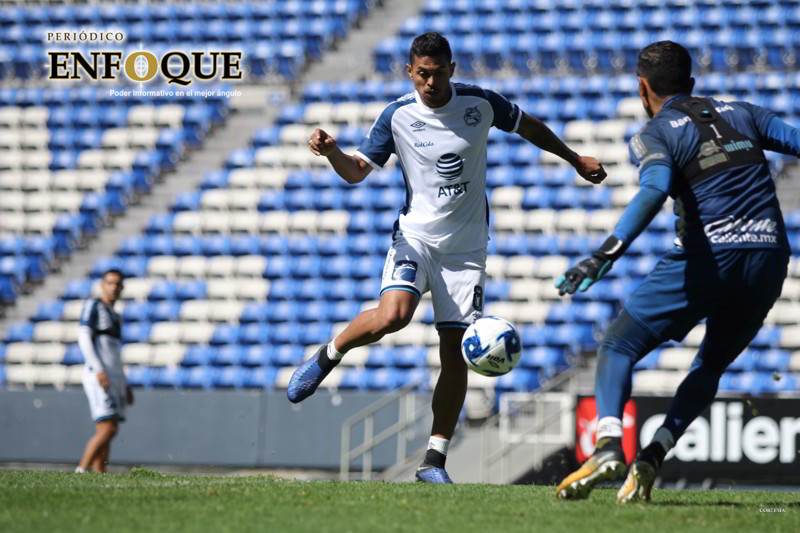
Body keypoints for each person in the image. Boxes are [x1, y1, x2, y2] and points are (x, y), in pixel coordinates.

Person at [288, 31, 606, 483]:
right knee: (393, 316)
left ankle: (433, 461)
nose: (431, 83)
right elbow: (356, 172)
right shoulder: (397, 115)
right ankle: (328, 355)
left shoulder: (480, 104)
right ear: (409, 71)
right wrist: (332, 151)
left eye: (438, 74)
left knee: (455, 355)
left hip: (466, 251)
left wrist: (574, 158)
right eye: (422, 74)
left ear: (451, 70)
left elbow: (530, 126)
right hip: (416, 237)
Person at [554, 41, 797, 502]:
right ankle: (653, 455)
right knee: (710, 364)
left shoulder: (657, 132)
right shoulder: (744, 112)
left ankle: (608, 447)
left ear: (641, 87)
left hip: (711, 255)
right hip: (769, 256)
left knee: (618, 345)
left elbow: (654, 191)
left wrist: (604, 255)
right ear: (692, 82)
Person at [75, 268, 133, 473]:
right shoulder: (94, 305)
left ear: (122, 287)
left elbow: (115, 353)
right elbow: (83, 337)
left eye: (117, 284)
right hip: (99, 375)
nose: (114, 287)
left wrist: (125, 383)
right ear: (102, 285)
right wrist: (99, 370)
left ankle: (99, 474)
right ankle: (81, 470)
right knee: (109, 428)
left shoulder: (115, 315)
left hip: (113, 377)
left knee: (107, 427)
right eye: (110, 283)